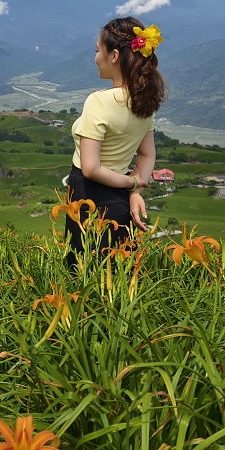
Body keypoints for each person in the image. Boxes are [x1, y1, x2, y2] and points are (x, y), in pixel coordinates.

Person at [63, 16, 167, 269]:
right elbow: (146, 155)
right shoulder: (145, 102)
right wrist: (134, 191)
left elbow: (90, 168)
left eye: (98, 51)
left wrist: (132, 182)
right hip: (120, 197)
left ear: (114, 56)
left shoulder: (99, 101)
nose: (96, 58)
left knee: (82, 270)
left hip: (87, 195)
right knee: (118, 271)